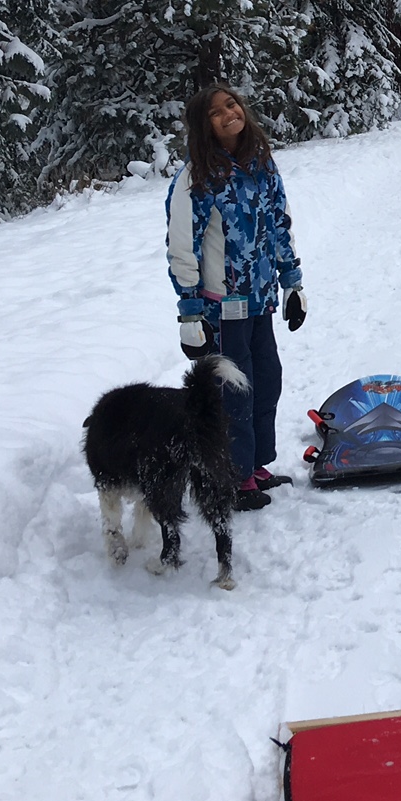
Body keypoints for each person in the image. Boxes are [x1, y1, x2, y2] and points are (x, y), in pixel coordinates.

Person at [166, 85, 308, 512]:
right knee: (234, 395)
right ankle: (232, 478)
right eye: (215, 112)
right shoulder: (196, 178)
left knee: (267, 382)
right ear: (203, 125)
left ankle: (255, 465)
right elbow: (181, 247)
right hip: (221, 309)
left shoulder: (261, 163)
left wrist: (292, 284)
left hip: (259, 300)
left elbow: (279, 225)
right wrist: (190, 314)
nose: (229, 113)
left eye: (232, 104)